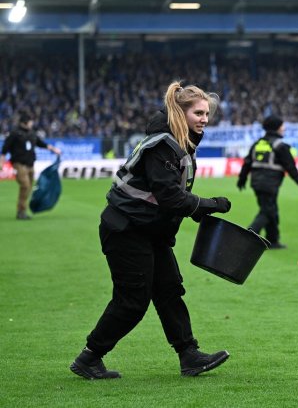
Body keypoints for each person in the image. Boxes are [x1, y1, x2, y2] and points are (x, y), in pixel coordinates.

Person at [70, 81, 233, 380]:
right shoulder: (163, 145)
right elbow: (170, 197)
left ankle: (189, 356)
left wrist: (195, 209)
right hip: (126, 230)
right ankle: (89, 357)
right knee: (132, 301)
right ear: (180, 113)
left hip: (147, 230)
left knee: (169, 291)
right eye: (198, 112)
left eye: (207, 113)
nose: (204, 119)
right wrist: (209, 205)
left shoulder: (177, 143)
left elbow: (164, 197)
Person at [237, 115, 298, 249]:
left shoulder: (257, 144)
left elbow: (247, 163)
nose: (284, 128)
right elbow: (290, 166)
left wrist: (242, 179)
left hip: (256, 183)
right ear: (277, 128)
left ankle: (272, 240)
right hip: (270, 184)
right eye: (282, 125)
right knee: (267, 211)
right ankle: (249, 235)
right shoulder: (280, 146)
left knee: (271, 210)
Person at [1, 111, 61, 220]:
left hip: (30, 165)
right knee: (25, 185)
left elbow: (40, 143)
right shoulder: (14, 134)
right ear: (24, 122)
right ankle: (21, 211)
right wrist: (1, 161)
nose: (32, 123)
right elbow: (5, 148)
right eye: (30, 121)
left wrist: (53, 149)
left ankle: (22, 209)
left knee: (28, 188)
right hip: (19, 164)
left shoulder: (32, 134)